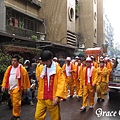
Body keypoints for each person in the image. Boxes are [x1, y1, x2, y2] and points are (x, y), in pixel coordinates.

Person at [34, 50, 66, 120]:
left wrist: (57, 96)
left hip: (52, 97)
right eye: (44, 61)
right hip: (42, 97)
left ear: (50, 59)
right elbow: (39, 81)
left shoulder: (58, 69)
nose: (45, 63)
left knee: (55, 118)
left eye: (46, 61)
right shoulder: (41, 68)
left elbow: (61, 83)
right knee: (37, 116)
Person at [1, 54, 30, 120]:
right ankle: (15, 114)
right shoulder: (9, 68)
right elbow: (6, 77)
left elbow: (26, 79)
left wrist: (25, 88)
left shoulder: (22, 69)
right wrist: (3, 85)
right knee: (13, 102)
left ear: (18, 62)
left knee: (16, 102)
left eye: (15, 61)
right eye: (12, 61)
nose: (13, 62)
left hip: (17, 87)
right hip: (10, 87)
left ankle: (17, 115)